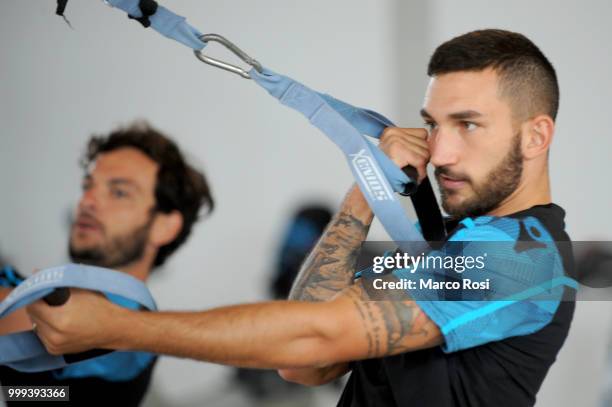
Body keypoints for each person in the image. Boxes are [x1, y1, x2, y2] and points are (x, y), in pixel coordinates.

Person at [25, 29, 575, 407]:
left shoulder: (520, 259)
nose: (442, 151)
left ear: (536, 135)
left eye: (468, 124)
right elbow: (305, 368)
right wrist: (367, 190)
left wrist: (117, 329)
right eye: (433, 123)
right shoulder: (448, 248)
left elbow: (312, 339)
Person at [0, 121, 214, 406]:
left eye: (119, 192)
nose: (87, 201)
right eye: (88, 186)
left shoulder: (126, 343)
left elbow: (32, 391)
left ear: (165, 226)